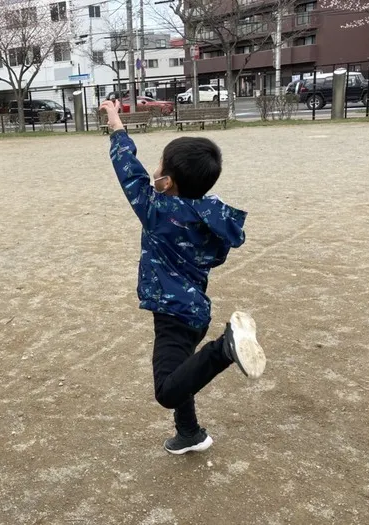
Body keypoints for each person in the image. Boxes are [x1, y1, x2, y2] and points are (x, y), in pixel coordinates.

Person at [99, 100, 266, 455]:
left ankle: (225, 348)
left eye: (159, 166)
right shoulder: (210, 215)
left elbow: (128, 169)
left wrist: (115, 122)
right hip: (194, 312)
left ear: (166, 181)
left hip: (174, 314)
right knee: (182, 369)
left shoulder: (158, 212)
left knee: (167, 390)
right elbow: (216, 256)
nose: (153, 170)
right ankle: (189, 433)